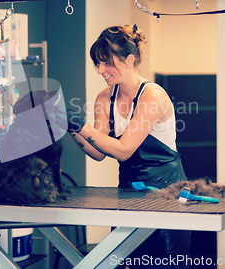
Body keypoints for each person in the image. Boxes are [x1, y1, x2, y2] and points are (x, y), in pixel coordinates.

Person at [65, 24, 190, 268]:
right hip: (128, 194)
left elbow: (123, 150)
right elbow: (98, 151)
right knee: (127, 262)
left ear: (129, 59)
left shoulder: (152, 97)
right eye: (97, 63)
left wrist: (80, 124)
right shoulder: (105, 98)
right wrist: (70, 127)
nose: (101, 70)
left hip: (167, 196)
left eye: (107, 62)